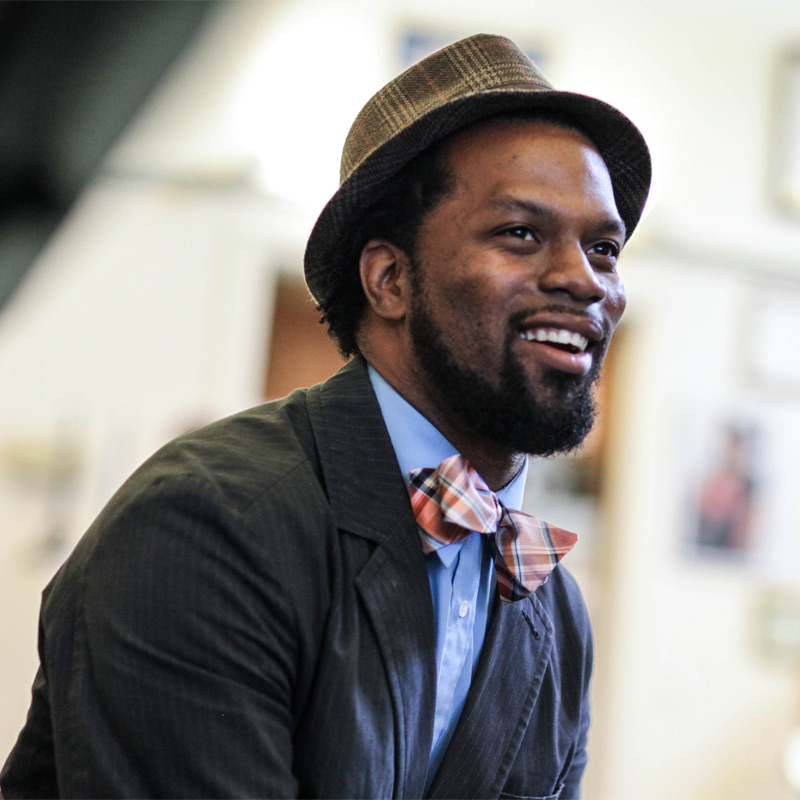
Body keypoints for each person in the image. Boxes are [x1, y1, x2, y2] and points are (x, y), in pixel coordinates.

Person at [1, 33, 650, 799]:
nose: (585, 281)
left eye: (604, 248)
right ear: (388, 278)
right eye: (521, 234)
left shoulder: (553, 611)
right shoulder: (209, 523)